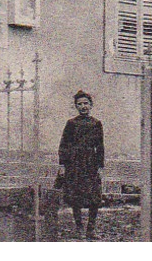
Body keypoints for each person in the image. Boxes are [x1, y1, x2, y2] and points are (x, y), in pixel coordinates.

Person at [59, 90, 105, 239]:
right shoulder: (71, 123)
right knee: (76, 197)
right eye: (80, 104)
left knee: (94, 197)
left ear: (91, 105)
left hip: (90, 163)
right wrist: (62, 164)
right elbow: (64, 145)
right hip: (75, 163)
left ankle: (91, 229)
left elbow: (100, 146)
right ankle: (79, 228)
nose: (83, 106)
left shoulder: (96, 123)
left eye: (86, 103)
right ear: (76, 107)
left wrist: (100, 166)